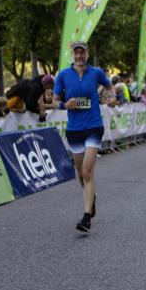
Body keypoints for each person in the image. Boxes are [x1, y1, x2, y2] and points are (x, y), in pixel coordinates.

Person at [54, 40, 117, 233]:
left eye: (82, 53)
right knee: (81, 174)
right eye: (76, 53)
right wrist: (66, 105)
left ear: (87, 54)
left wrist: (114, 97)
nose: (79, 56)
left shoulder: (96, 72)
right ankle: (92, 198)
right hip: (74, 129)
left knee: (88, 172)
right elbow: (55, 101)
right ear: (72, 55)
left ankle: (86, 216)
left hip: (93, 126)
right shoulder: (63, 75)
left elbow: (110, 86)